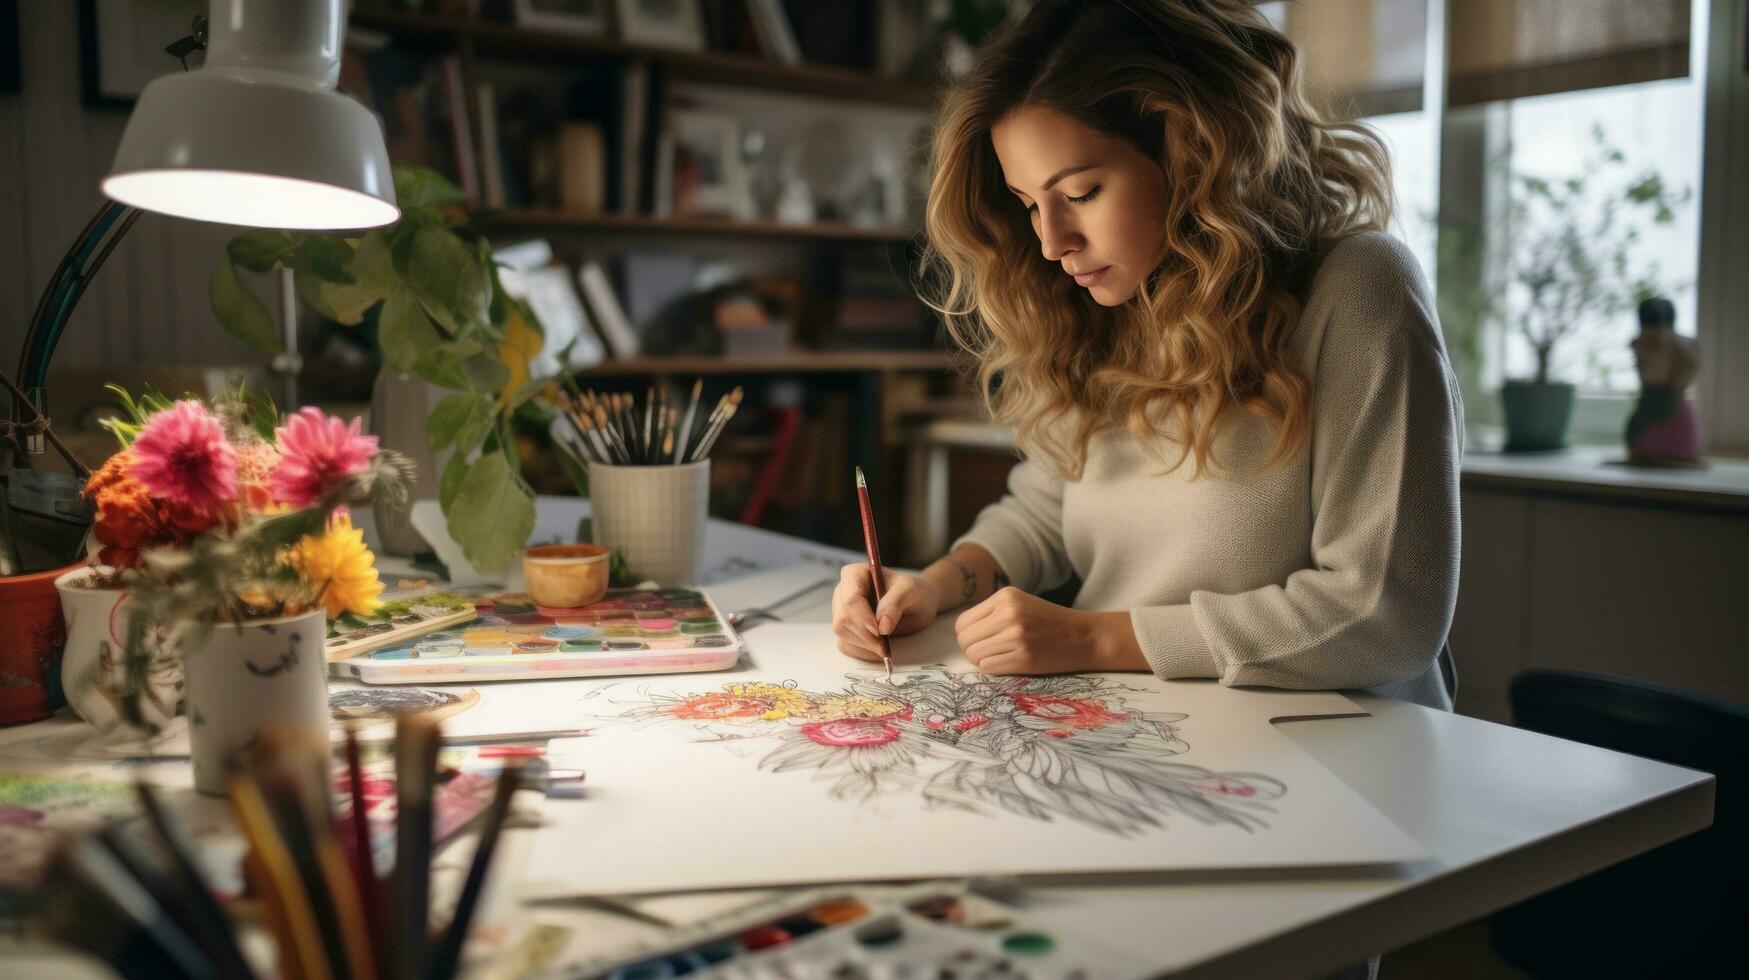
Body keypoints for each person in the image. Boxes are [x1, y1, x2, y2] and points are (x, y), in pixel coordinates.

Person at [831, 0, 1462, 714]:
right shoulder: (1103, 303)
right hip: (1155, 724)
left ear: (1194, 151)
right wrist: (937, 584)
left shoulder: (1357, 287)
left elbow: (1382, 615)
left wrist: (1097, 640)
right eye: (1028, 204)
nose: (1050, 242)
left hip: (1349, 744)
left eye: (1079, 192)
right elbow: (1047, 509)